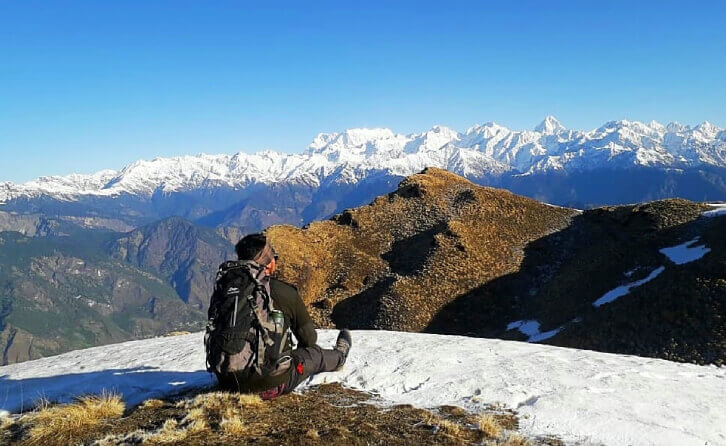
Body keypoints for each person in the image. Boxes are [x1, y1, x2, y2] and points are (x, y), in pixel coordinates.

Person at [213, 233, 351, 399]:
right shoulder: (284, 292)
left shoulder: (225, 289)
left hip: (228, 381)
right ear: (269, 264)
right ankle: (340, 356)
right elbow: (309, 339)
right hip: (271, 384)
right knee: (313, 354)